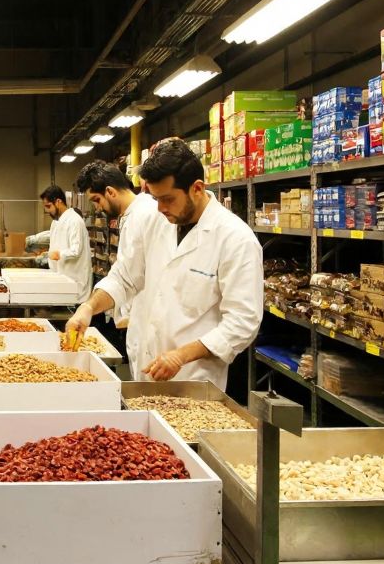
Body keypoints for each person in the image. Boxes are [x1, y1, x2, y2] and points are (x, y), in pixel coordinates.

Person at [65, 138, 263, 386]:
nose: (160, 208)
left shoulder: (235, 239)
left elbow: (242, 322)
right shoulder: (156, 222)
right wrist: (88, 308)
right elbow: (125, 276)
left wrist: (181, 356)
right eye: (155, 198)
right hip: (144, 366)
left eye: (167, 199)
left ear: (197, 189)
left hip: (192, 376)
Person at [74, 160, 174, 368]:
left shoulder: (145, 214)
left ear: (110, 191)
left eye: (96, 200)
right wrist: (90, 307)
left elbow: (130, 276)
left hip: (158, 328)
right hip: (142, 321)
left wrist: (90, 307)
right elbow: (127, 272)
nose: (97, 208)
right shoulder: (132, 215)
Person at [39, 183, 92, 302]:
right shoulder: (56, 222)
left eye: (48, 206)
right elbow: (54, 245)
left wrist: (58, 254)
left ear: (58, 201)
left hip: (75, 282)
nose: (47, 211)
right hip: (61, 280)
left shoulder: (75, 220)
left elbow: (76, 250)